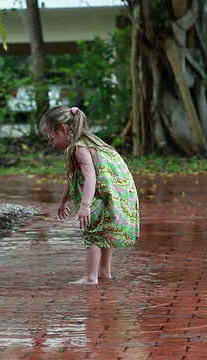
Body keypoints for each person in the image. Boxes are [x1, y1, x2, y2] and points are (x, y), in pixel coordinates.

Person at [40, 105, 140, 285]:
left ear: (63, 129)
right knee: (103, 231)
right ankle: (104, 272)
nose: (52, 144)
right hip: (117, 194)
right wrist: (63, 201)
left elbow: (90, 177)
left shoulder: (79, 148)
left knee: (92, 231)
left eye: (52, 138)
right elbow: (72, 178)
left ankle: (90, 277)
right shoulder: (92, 141)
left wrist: (85, 205)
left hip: (105, 194)